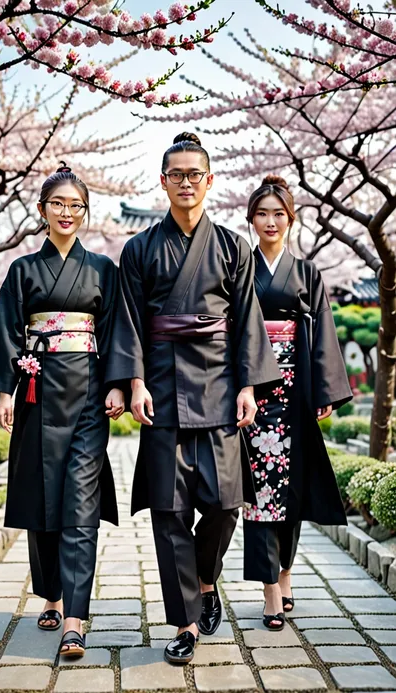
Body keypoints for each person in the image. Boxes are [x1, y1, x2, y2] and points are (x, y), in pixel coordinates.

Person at [106, 133, 281, 664]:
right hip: (160, 388)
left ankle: (205, 578)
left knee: (227, 505)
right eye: (175, 175)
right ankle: (184, 621)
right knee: (169, 511)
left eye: (194, 174)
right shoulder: (138, 249)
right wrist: (132, 382)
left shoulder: (233, 247)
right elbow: (128, 320)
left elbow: (248, 320)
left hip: (222, 387)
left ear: (210, 180)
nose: (185, 182)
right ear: (163, 182)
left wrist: (250, 385)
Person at [0, 163, 124, 659]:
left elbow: (118, 331)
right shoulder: (22, 270)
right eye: (57, 204)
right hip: (36, 396)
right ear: (42, 210)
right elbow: (8, 333)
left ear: (85, 213)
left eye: (76, 205)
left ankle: (75, 617)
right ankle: (52, 594)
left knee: (81, 504)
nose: (67, 213)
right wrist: (5, 392)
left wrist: (118, 385)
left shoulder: (103, 269)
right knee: (42, 501)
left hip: (87, 401)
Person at [242, 174, 352, 631]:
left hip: (294, 390)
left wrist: (325, 390)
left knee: (291, 491)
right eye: (262, 214)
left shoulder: (307, 273)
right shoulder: (239, 269)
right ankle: (270, 589)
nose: (271, 222)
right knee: (258, 493)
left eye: (279, 215)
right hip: (252, 390)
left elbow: (323, 330)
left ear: (290, 219)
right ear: (250, 219)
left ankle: (286, 577)